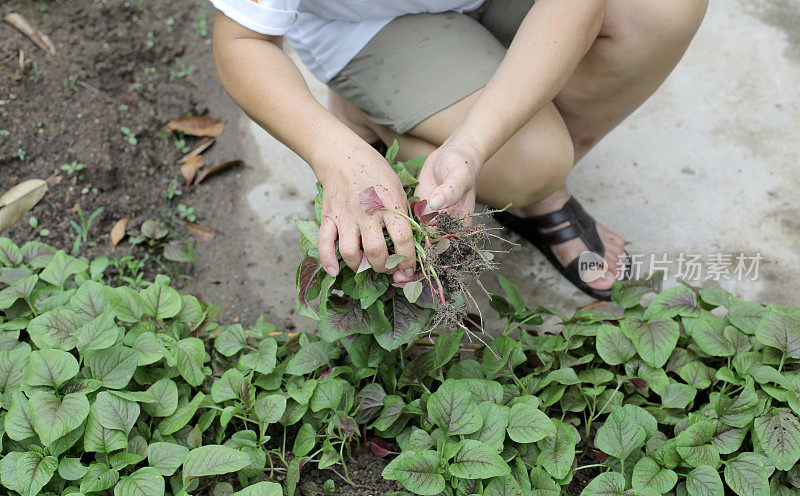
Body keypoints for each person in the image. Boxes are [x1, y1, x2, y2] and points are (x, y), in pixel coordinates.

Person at [210, 0, 708, 300]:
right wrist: (334, 152)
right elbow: (241, 40)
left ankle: (525, 180)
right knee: (534, 159)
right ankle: (360, 113)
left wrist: (473, 147)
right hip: (364, 22)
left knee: (662, 9)